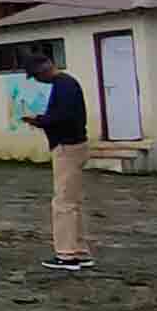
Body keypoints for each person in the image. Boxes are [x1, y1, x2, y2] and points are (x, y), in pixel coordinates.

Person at [20, 55, 94, 271]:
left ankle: (66, 255)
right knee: (73, 202)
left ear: (44, 71)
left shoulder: (63, 86)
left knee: (63, 203)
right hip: (75, 145)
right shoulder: (67, 84)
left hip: (67, 147)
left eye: (35, 77)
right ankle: (79, 251)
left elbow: (62, 118)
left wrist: (39, 121)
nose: (37, 81)